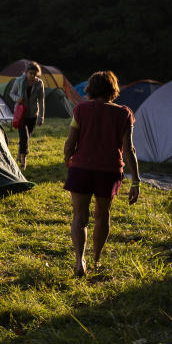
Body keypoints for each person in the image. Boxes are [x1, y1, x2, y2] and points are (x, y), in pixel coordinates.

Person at [63, 70, 140, 277]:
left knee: (80, 216)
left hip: (81, 168)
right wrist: (136, 182)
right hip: (109, 171)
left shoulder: (81, 110)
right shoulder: (124, 113)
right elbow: (129, 149)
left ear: (90, 89)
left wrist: (67, 158)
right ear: (113, 90)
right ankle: (96, 257)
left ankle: (80, 260)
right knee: (102, 215)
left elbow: (71, 142)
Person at [9, 61, 45, 170]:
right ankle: (23, 160)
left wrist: (41, 116)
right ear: (26, 72)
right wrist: (17, 99)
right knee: (24, 136)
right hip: (21, 114)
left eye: (35, 74)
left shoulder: (39, 83)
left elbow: (41, 100)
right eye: (30, 73)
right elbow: (12, 93)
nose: (32, 76)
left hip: (33, 114)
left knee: (26, 137)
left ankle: (20, 153)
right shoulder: (19, 81)